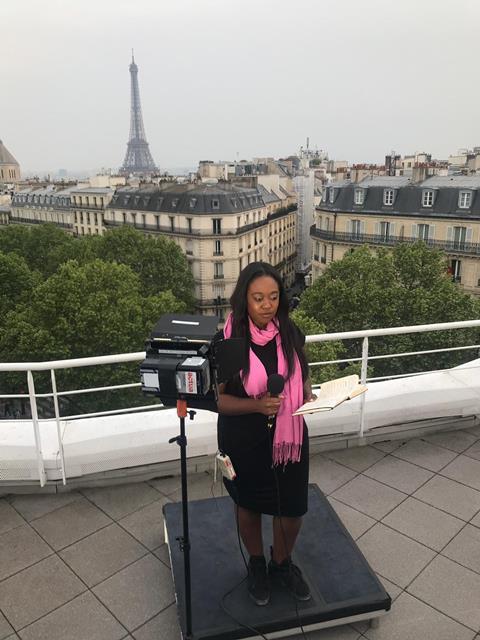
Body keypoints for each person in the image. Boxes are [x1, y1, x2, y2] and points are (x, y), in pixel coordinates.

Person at [216, 262, 315, 606]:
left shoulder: (290, 331)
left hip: (290, 439)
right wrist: (257, 406)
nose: (267, 305)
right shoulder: (228, 343)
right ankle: (257, 565)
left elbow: (302, 374)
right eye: (258, 298)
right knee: (250, 505)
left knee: (292, 508)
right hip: (245, 439)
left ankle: (281, 564)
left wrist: (309, 393)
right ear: (244, 299)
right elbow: (219, 399)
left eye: (273, 297)